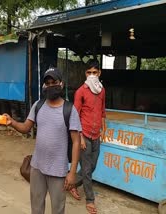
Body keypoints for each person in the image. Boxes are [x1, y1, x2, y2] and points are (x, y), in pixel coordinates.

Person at [4, 67, 81, 214]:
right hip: (37, 167)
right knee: (36, 207)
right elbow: (26, 127)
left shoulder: (70, 110)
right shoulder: (38, 106)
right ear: (44, 86)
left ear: (61, 84)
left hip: (58, 171)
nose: (51, 86)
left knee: (58, 209)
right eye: (48, 83)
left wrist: (72, 173)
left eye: (54, 82)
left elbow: (76, 142)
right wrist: (12, 122)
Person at [69, 59, 106, 214]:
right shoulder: (81, 91)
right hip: (84, 135)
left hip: (96, 134)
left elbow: (102, 109)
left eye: (95, 72)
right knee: (86, 169)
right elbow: (74, 116)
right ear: (85, 73)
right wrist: (80, 138)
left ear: (99, 73)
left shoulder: (102, 90)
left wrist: (104, 127)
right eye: (89, 72)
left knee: (91, 167)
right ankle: (90, 200)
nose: (92, 75)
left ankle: (71, 183)